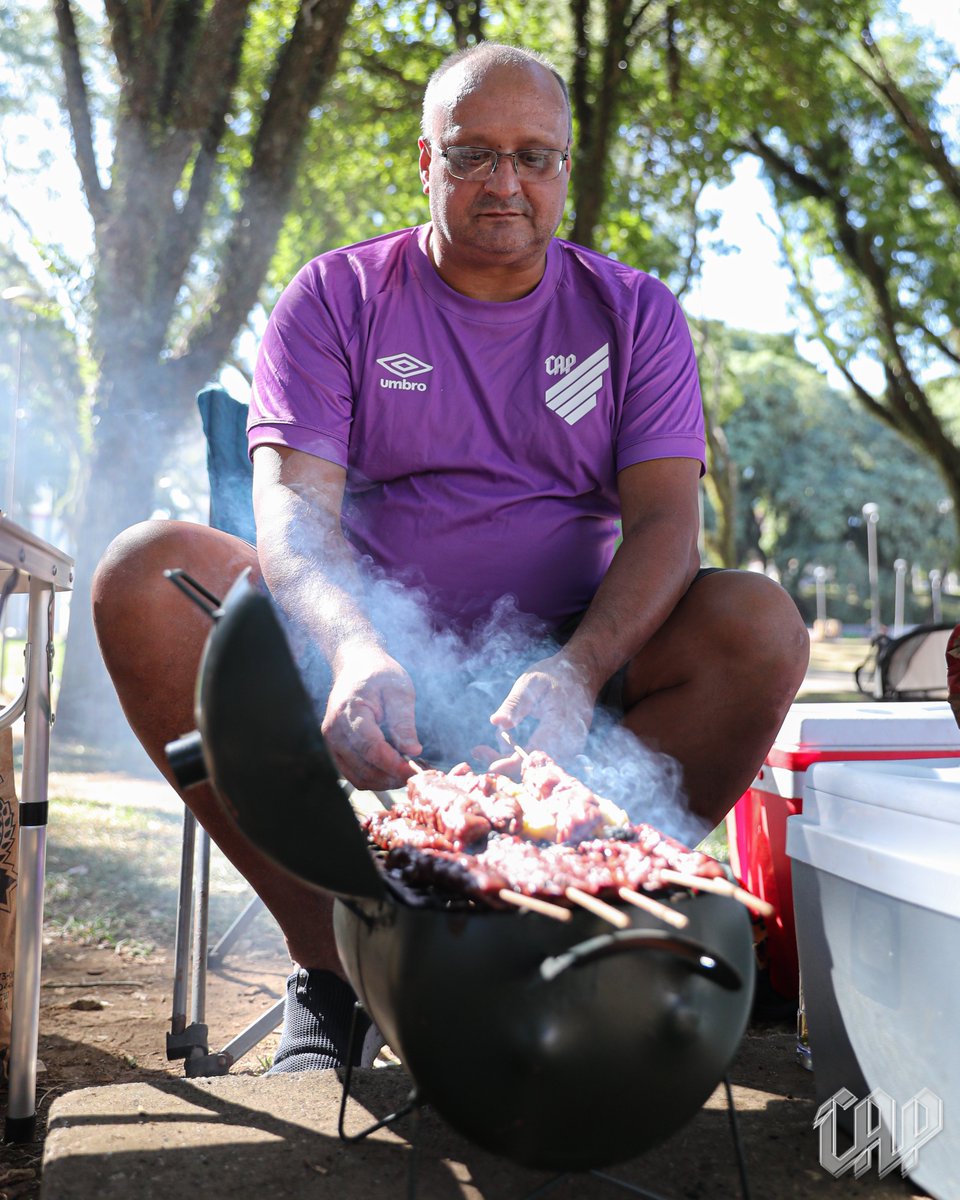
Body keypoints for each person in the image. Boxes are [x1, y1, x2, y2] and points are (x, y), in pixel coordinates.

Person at [93, 42, 809, 1073]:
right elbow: (293, 509)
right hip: (364, 665)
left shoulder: (633, 311)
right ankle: (337, 968)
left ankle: (556, 935)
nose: (504, 182)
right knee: (142, 571)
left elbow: (665, 526)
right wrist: (354, 649)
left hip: (564, 671)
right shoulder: (336, 295)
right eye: (473, 153)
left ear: (564, 169)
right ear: (426, 161)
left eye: (533, 156)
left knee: (761, 622)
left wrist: (578, 670)